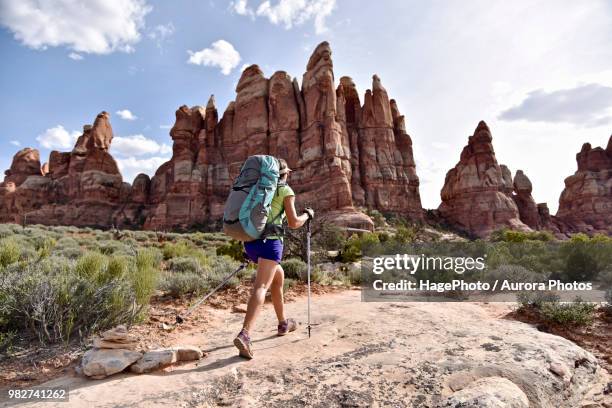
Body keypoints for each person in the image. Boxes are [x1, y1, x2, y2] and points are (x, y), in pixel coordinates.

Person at [233, 158, 314, 359]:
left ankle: (283, 323)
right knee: (261, 287)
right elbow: (294, 222)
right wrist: (307, 215)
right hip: (270, 245)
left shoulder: (256, 189)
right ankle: (245, 334)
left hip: (250, 243)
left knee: (278, 278)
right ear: (285, 174)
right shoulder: (285, 191)